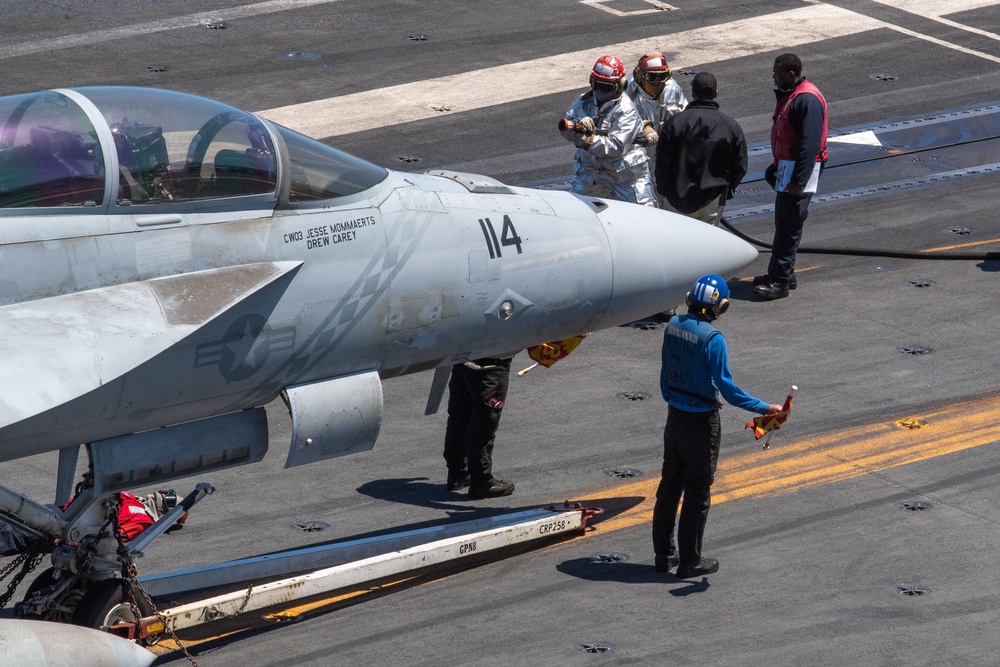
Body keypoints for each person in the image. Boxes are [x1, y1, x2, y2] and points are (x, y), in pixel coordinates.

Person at [652, 275, 782, 578]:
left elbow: (665, 375)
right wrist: (765, 408)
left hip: (675, 417)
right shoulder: (713, 339)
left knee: (670, 486)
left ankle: (663, 554)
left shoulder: (671, 327)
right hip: (700, 422)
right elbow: (728, 389)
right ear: (720, 307)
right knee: (697, 491)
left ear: (689, 300)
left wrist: (679, 398)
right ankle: (689, 561)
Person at [753, 53, 828, 300]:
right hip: (788, 169)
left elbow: (810, 145)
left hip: (798, 173)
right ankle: (783, 271)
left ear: (791, 74)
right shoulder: (794, 97)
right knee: (785, 222)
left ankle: (781, 281)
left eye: (777, 72)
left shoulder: (807, 100)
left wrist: (798, 181)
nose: (773, 77)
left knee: (789, 225)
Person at [560, 54, 655, 206]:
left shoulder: (626, 110)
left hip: (625, 177)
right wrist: (577, 126)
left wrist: (587, 140)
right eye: (596, 85)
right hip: (593, 174)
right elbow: (567, 127)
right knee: (577, 212)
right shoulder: (583, 102)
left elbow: (615, 146)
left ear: (620, 85)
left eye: (604, 87)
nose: (599, 91)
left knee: (647, 217)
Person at [654, 71, 747, 225]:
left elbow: (663, 162)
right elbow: (740, 165)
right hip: (711, 200)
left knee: (677, 245)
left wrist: (663, 190)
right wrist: (727, 191)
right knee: (708, 246)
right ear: (716, 92)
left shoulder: (675, 123)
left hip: (676, 200)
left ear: (693, 93)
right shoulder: (731, 126)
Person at [443, 358, 516, 499]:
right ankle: (482, 481)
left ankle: (458, 473)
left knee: (460, 415)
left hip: (464, 354)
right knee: (485, 422)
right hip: (492, 360)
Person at [624, 52, 688, 203]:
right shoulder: (627, 91)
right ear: (641, 76)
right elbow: (618, 121)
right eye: (652, 77)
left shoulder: (672, 89)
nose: (658, 81)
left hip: (663, 153)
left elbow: (684, 117)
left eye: (663, 75)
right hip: (636, 155)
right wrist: (643, 127)